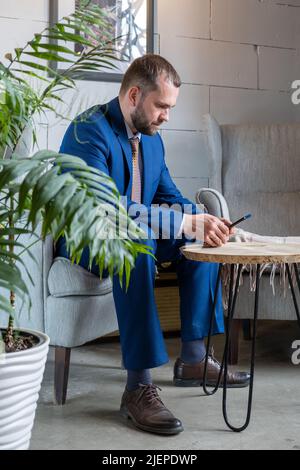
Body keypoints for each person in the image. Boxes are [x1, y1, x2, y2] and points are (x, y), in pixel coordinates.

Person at [56, 54, 250, 436]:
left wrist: (203, 220)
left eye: (170, 107)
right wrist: (182, 221)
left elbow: (169, 195)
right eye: (161, 106)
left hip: (134, 232)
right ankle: (138, 386)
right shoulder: (87, 131)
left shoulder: (152, 141)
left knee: (199, 237)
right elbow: (105, 208)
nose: (166, 116)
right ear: (133, 95)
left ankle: (193, 358)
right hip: (87, 238)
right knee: (138, 243)